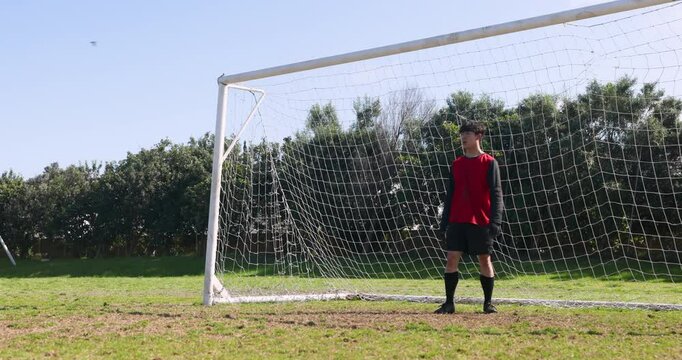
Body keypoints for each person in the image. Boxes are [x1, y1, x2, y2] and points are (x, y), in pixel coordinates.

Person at [434, 120, 503, 314]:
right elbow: (450, 195)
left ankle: (488, 303)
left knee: (484, 260)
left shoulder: (490, 162)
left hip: (481, 221)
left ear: (478, 136)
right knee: (451, 258)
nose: (463, 137)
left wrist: (495, 221)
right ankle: (449, 303)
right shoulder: (456, 164)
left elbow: (497, 193)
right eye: (461, 134)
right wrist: (444, 221)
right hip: (457, 220)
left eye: (468, 133)